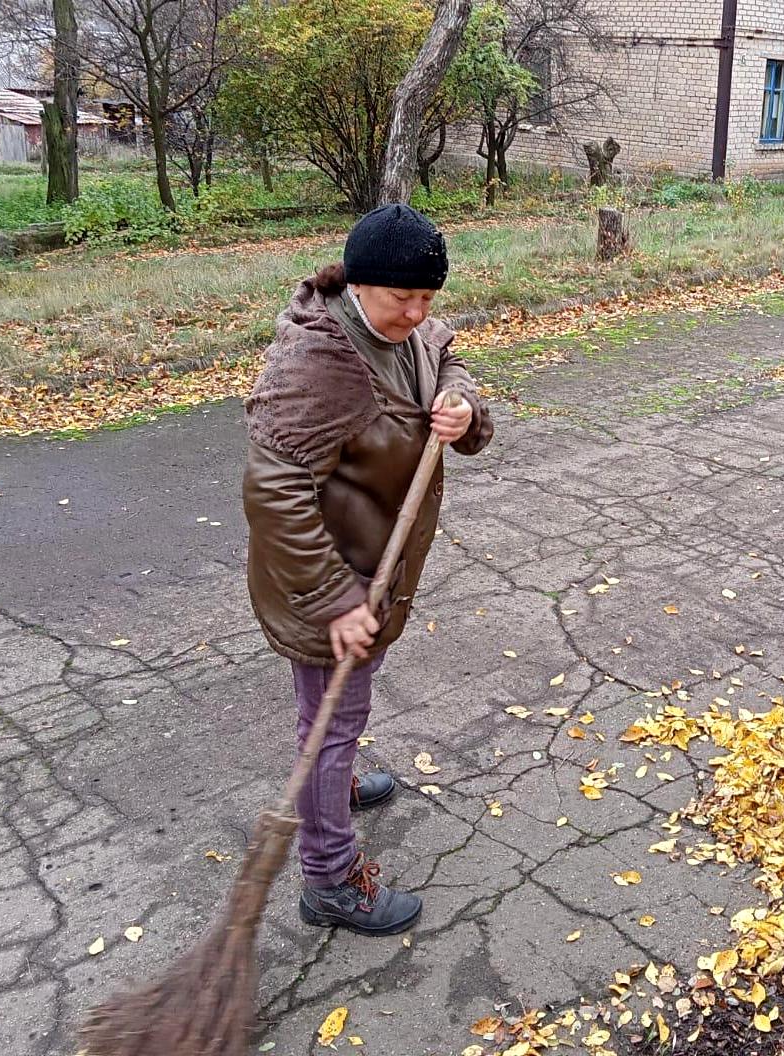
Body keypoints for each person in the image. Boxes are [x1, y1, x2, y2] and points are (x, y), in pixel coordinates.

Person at [242, 203, 493, 936]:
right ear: (358, 285)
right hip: (326, 578)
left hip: (372, 566)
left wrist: (462, 405)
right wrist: (333, 599)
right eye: (400, 299)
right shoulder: (318, 364)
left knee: (338, 717)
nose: (416, 314)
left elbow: (446, 355)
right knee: (327, 721)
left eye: (427, 298)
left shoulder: (408, 329)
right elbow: (271, 487)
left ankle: (337, 783)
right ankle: (328, 878)